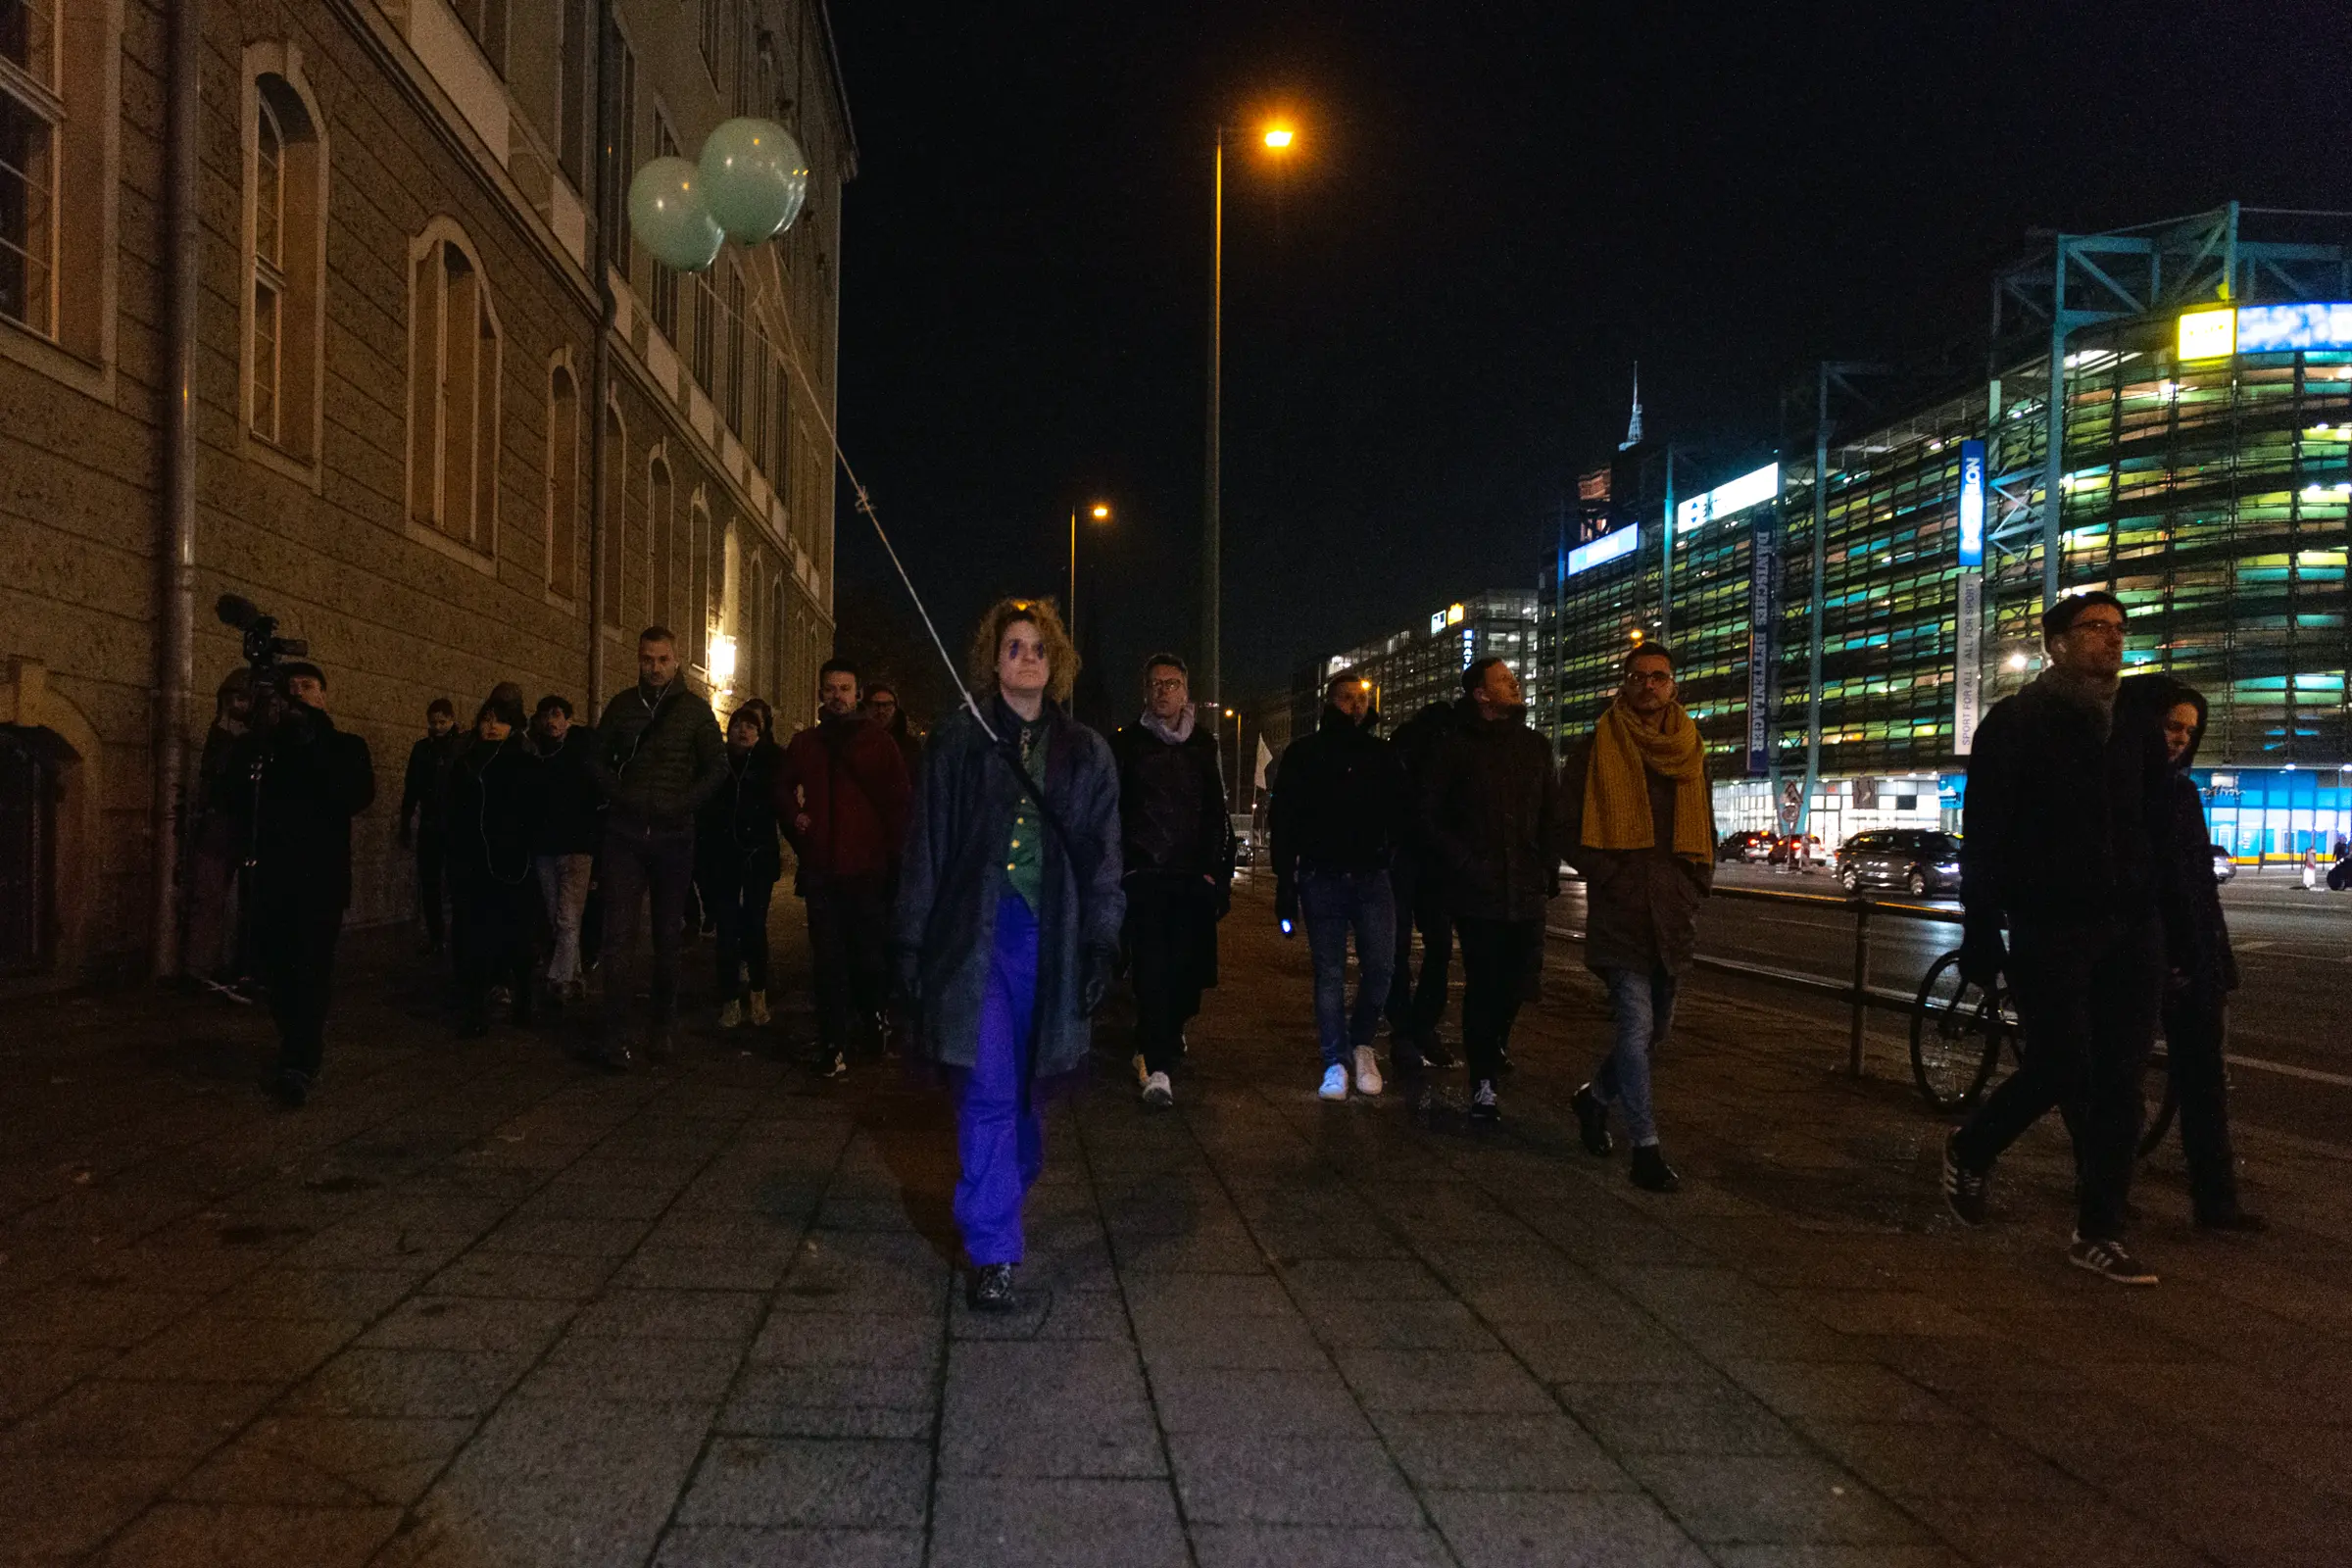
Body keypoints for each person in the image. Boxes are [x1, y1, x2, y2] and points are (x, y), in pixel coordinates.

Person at [894, 599, 1122, 1312]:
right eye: (1013, 647)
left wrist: (1101, 944)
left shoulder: (1086, 753)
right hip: (973, 942)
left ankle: (1001, 1188)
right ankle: (994, 1249)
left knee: (1028, 1094)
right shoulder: (959, 742)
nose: (1025, 658)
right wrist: (908, 942)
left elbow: (1105, 858)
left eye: (1038, 649)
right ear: (992, 661)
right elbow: (926, 848)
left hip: (1048, 940)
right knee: (990, 1087)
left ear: (1056, 664)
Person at [1945, 592, 2175, 1285]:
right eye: (2094, 628)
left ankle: (2098, 1229)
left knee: (2123, 1082)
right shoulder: (2017, 723)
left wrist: (2180, 928)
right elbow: (1984, 833)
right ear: (2055, 644)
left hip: (2132, 924)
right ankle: (1971, 1149)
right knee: (2060, 1065)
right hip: (2051, 922)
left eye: (2118, 629)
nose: (2111, 639)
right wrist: (1983, 928)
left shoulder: (2136, 724)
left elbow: (2158, 826)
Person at [1560, 645, 1714, 1190]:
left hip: (1672, 910)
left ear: (1674, 686)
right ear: (1624, 685)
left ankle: (1595, 1097)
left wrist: (1699, 883)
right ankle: (1645, 1149)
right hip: (1622, 909)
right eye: (1639, 677)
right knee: (1636, 1025)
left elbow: (1706, 825)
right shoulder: (1596, 745)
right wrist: (1606, 875)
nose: (1649, 686)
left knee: (1657, 1031)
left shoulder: (1691, 747)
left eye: (1659, 677)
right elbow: (1563, 823)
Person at [2136, 677, 2264, 1232]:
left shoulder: (2182, 792)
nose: (2180, 739)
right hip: (2142, 954)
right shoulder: (2121, 788)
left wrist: (2214, 955)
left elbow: (2196, 886)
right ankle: (2100, 1195)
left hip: (2194, 955)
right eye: (2171, 725)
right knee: (2113, 1081)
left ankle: (2217, 1200)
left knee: (2205, 1080)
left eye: (2189, 730)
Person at [219, 662, 374, 1106]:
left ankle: (301, 1058)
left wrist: (311, 738)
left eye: (309, 686)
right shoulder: (264, 748)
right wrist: (259, 736)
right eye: (293, 688)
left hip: (320, 879)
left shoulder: (345, 745)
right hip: (269, 874)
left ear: (324, 695)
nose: (301, 693)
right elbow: (232, 797)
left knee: (310, 968)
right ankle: (294, 1041)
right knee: (277, 971)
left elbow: (356, 794)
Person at [1423, 656, 1563, 1126]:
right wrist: (1464, 861)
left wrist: (1547, 865)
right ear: (1481, 695)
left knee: (1521, 983)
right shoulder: (1455, 747)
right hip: (1478, 890)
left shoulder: (1535, 747)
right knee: (1484, 984)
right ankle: (1482, 1083)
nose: (1515, 684)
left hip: (1525, 886)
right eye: (1504, 680)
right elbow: (1429, 816)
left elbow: (1551, 811)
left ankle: (1494, 1042)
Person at [587, 626, 728, 1069]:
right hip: (625, 834)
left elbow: (717, 767)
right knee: (618, 938)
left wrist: (682, 804)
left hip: (672, 837)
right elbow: (593, 758)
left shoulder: (694, 712)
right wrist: (620, 795)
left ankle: (662, 1025)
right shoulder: (622, 707)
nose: (654, 667)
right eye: (647, 659)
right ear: (638, 659)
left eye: (662, 659)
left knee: (668, 938)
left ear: (676, 660)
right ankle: (616, 1034)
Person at [1270, 671, 1407, 1102]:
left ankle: (1362, 1044)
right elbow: (1284, 821)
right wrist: (1285, 884)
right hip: (1322, 875)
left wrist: (1393, 857)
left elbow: (1402, 812)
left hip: (1371, 874)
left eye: (1361, 698)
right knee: (1329, 973)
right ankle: (1335, 1060)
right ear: (1331, 702)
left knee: (1382, 967)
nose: (1357, 706)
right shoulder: (1305, 755)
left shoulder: (1381, 755)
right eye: (1347, 698)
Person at [1109, 654, 1235, 1107]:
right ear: (1146, 691)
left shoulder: (1203, 745)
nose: (1164, 691)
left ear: (1186, 691)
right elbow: (1116, 810)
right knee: (1152, 969)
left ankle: (1168, 1031)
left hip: (1191, 878)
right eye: (1156, 684)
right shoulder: (1127, 745)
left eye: (1172, 683)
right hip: (1144, 876)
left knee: (1187, 975)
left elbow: (1214, 812)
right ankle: (1156, 1063)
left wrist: (1214, 872)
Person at [777, 659, 910, 1077]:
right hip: (822, 870)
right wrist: (797, 823)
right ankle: (833, 1042)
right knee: (828, 960)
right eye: (830, 689)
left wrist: (894, 860)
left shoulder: (877, 743)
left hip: (867, 870)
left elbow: (898, 804)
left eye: (845, 689)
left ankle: (871, 1016)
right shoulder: (806, 743)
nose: (837, 696)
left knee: (868, 956)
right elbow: (780, 786)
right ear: (820, 694)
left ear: (857, 695)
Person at [446, 692, 546, 1037]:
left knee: (516, 935)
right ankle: (475, 1007)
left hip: (512, 862)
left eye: (499, 721)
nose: (490, 727)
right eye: (486, 720)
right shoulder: (466, 761)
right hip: (472, 863)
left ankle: (523, 997)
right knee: (474, 936)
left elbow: (535, 813)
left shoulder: (524, 762)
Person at [1385, 693, 1470, 1071]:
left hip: (1407, 854)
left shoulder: (1405, 741)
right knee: (1436, 947)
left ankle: (1406, 1030)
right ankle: (1419, 1028)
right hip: (1428, 858)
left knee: (1400, 949)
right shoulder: (1451, 743)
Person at [698, 699, 785, 1029]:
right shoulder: (718, 765)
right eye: (738, 724)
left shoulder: (769, 763)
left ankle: (758, 993)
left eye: (751, 726)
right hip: (723, 858)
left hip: (757, 856)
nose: (744, 730)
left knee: (754, 925)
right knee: (727, 930)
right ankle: (730, 999)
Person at [185, 668, 254, 993]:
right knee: (208, 895)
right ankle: (201, 966)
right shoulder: (221, 735)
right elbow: (212, 778)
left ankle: (241, 965)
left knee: (245, 899)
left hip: (247, 823)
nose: (236, 706)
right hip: (219, 823)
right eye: (231, 699)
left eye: (242, 699)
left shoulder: (249, 739)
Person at [531, 695, 601, 1007]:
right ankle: (573, 977)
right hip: (546, 846)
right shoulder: (538, 755)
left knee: (567, 916)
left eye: (557, 714)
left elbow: (594, 800)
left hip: (576, 846)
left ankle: (557, 980)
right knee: (554, 913)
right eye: (546, 715)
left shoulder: (582, 754)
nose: (551, 721)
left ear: (569, 719)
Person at [398, 698, 462, 954]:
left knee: (453, 881)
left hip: (453, 822)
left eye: (442, 722)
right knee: (431, 882)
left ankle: (452, 933)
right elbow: (412, 786)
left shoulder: (458, 748)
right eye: (433, 722)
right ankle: (438, 935)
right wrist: (406, 819)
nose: (437, 727)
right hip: (433, 821)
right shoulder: (424, 749)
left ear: (451, 720)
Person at [864, 680, 925, 785]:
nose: (881, 711)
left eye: (887, 705)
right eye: (875, 705)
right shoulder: (855, 742)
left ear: (895, 709)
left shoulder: (910, 746)